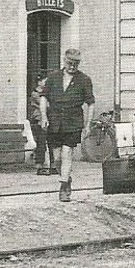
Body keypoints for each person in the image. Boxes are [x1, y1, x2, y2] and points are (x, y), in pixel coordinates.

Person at [38, 48, 94, 202]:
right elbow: (43, 97)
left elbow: (90, 103)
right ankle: (66, 178)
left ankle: (63, 187)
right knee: (57, 158)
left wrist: (88, 125)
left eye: (76, 64)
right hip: (54, 121)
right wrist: (43, 116)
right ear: (64, 61)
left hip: (73, 122)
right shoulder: (53, 77)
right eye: (70, 63)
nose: (72, 67)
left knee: (67, 153)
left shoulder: (84, 80)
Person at [27, 77, 53, 175]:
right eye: (44, 81)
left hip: (46, 120)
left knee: (50, 142)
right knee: (41, 143)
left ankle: (52, 164)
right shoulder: (35, 94)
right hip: (38, 120)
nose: (46, 83)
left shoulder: (46, 93)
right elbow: (47, 105)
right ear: (39, 82)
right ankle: (39, 164)